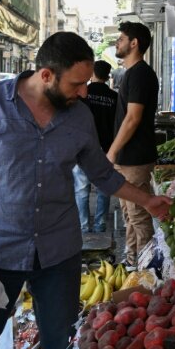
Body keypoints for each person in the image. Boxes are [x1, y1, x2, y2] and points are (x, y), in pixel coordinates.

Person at [0, 31, 171, 349]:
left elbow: (102, 174)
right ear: (46, 75)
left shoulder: (79, 117)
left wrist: (147, 201)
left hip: (58, 255)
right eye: (77, 84)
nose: (84, 92)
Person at [106, 22, 159, 267]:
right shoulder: (131, 73)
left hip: (135, 159)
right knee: (129, 216)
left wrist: (113, 151)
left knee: (138, 217)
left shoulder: (140, 74)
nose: (117, 42)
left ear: (134, 43)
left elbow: (133, 118)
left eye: (121, 38)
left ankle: (147, 270)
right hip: (126, 159)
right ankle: (132, 263)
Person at [73, 60, 118, 232]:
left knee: (81, 190)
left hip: (83, 149)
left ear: (92, 74)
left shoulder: (83, 94)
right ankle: (100, 225)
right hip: (106, 150)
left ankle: (84, 227)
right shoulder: (114, 97)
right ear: (107, 76)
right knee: (103, 189)